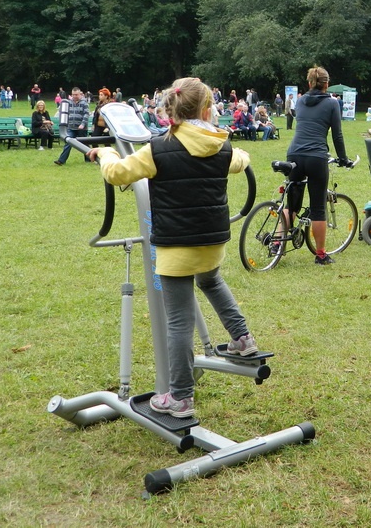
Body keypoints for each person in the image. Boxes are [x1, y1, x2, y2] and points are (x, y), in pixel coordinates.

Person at [88, 77, 257, 419]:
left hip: (176, 246)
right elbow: (241, 158)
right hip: (213, 240)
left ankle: (179, 397)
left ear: (170, 110)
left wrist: (105, 152)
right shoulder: (222, 146)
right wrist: (237, 152)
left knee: (178, 321)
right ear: (208, 110)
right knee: (211, 281)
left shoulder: (157, 148)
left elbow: (119, 174)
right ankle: (242, 338)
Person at [286, 66, 350, 265]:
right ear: (327, 84)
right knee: (318, 208)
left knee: (291, 203)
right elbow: (337, 135)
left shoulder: (299, 100)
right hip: (316, 157)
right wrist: (343, 158)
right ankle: (321, 254)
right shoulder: (332, 103)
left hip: (294, 153)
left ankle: (276, 244)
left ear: (309, 83)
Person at [54, 87, 90, 166]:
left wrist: (82, 124)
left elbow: (86, 115)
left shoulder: (84, 103)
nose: (74, 96)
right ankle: (61, 161)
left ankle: (89, 159)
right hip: (71, 127)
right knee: (68, 142)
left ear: (80, 94)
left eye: (76, 94)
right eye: (73, 95)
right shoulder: (69, 103)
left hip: (81, 128)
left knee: (84, 144)